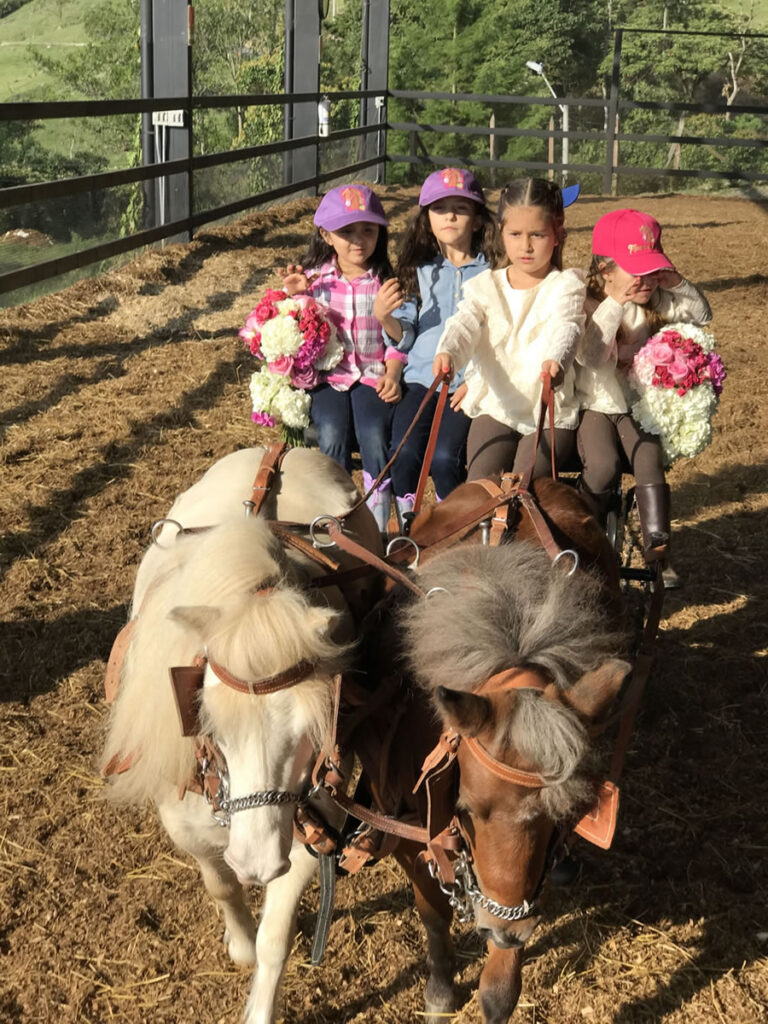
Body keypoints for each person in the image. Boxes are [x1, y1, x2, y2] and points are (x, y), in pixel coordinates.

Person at [575, 208, 712, 586]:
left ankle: (658, 549)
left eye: (652, 268)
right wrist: (616, 301)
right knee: (602, 466)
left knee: (648, 455)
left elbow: (701, 314)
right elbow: (589, 355)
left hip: (636, 406)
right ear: (605, 270)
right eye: (637, 269)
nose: (646, 279)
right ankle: (585, 540)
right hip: (597, 404)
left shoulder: (654, 301)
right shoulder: (588, 302)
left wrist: (676, 281)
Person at [431, 177, 585, 481]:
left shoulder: (565, 286)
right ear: (501, 232)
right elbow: (464, 324)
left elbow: (567, 327)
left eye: (537, 235)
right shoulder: (486, 286)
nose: (525, 246)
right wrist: (449, 351)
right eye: (515, 234)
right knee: (480, 482)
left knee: (525, 487)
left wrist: (558, 360)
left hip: (547, 408)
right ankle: (482, 529)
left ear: (557, 234)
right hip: (498, 404)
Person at [372, 168, 498, 529]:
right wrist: (385, 318)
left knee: (445, 458)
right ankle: (407, 531)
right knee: (405, 452)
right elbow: (405, 332)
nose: (451, 216)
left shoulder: (493, 272)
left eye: (461, 208)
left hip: (467, 383)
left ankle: (454, 529)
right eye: (440, 209)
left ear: (477, 221)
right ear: (427, 218)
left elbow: (500, 334)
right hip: (420, 378)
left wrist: (478, 381)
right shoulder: (418, 269)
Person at [281, 183, 405, 532]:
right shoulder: (314, 281)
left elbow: (398, 340)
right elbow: (292, 329)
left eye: (368, 230)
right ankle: (331, 517)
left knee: (375, 435)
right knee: (331, 432)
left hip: (370, 375)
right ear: (326, 235)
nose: (358, 240)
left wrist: (392, 374)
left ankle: (377, 527)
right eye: (346, 231)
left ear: (381, 233)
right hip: (328, 379)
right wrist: (296, 300)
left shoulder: (386, 282)